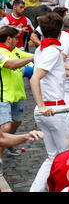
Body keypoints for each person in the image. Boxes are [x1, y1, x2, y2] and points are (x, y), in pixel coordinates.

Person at [29, 12, 69, 192]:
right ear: (60, 32)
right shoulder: (53, 51)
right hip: (54, 111)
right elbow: (34, 78)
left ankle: (35, 190)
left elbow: (57, 72)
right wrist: (42, 105)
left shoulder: (41, 49)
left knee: (52, 156)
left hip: (48, 111)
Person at [0, 26, 34, 162]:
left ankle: (8, 143)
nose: (18, 40)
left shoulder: (15, 51)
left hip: (18, 95)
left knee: (17, 122)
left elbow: (31, 56)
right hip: (3, 96)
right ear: (8, 39)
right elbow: (11, 65)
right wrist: (31, 59)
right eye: (15, 37)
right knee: (6, 126)